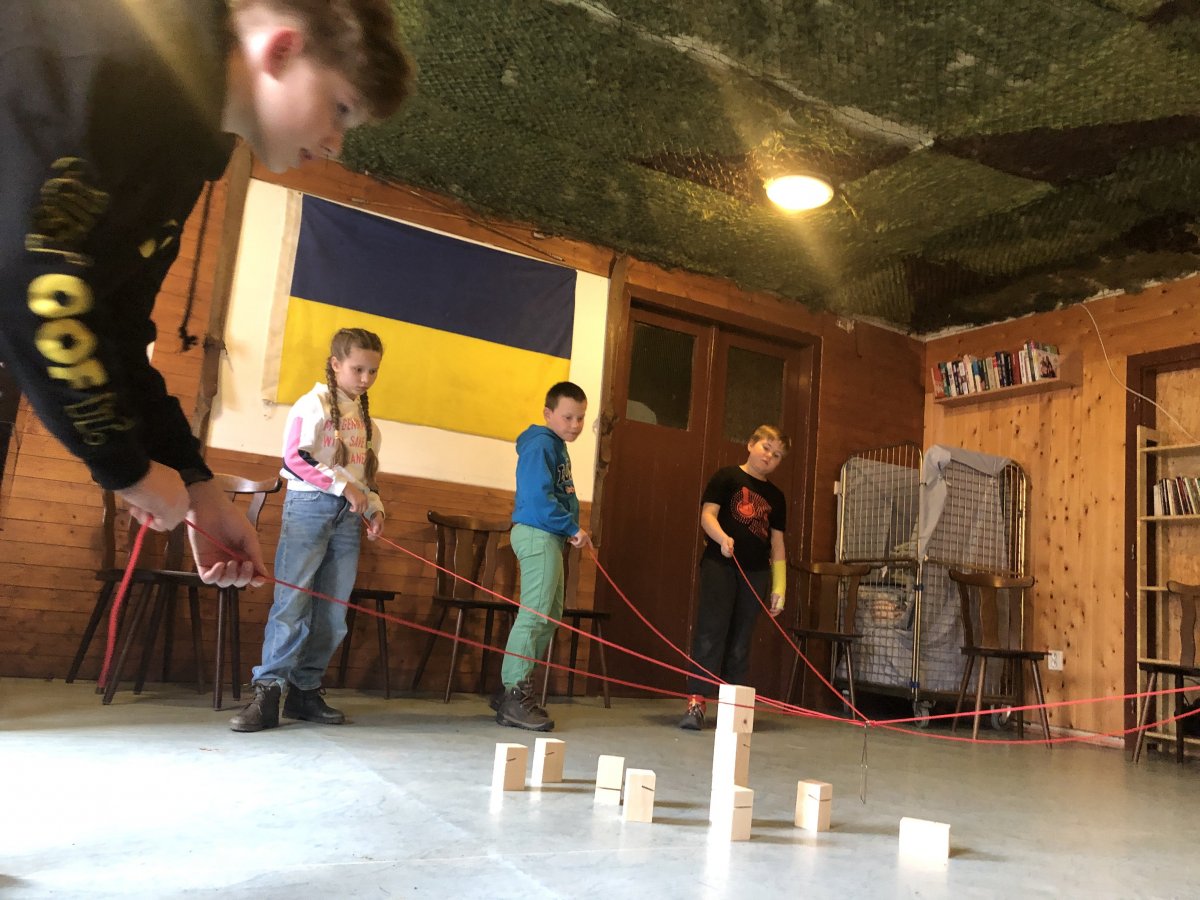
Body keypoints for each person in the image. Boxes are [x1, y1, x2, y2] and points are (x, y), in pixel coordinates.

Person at [0, 0, 412, 590]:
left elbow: (119, 327)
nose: (336, 142)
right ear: (281, 49)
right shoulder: (119, 54)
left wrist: (197, 485)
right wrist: (126, 467)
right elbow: (28, 276)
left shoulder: (183, 150)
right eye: (340, 109)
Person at [231, 327, 386, 732]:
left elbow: (367, 478)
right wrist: (342, 486)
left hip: (347, 520)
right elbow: (294, 460)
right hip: (309, 510)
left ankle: (305, 690)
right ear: (336, 364)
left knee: (333, 611)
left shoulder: (368, 424)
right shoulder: (312, 404)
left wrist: (374, 509)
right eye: (357, 369)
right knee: (293, 603)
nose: (365, 378)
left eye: (372, 371)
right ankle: (268, 691)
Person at [493, 382, 593, 732]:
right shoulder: (540, 444)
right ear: (548, 414)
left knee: (549, 614)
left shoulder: (556, 444)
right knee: (535, 614)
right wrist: (571, 527)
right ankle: (514, 692)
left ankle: (514, 686)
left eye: (581, 418)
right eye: (568, 417)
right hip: (539, 533)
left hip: (550, 535)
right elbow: (538, 500)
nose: (575, 425)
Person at [679, 424, 790, 730]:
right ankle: (697, 702)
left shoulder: (777, 497)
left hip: (756, 573)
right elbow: (707, 516)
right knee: (710, 631)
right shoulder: (726, 477)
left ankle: (732, 710)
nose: (769, 457)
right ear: (751, 444)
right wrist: (722, 538)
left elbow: (778, 544)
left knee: (741, 639)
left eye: (777, 455)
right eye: (766, 448)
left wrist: (779, 586)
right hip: (720, 566)